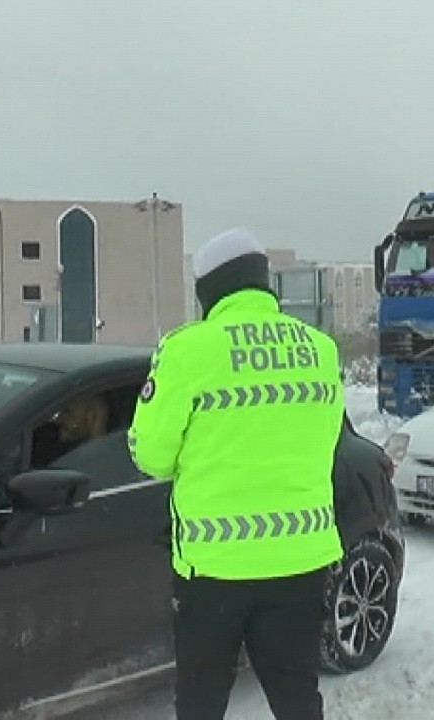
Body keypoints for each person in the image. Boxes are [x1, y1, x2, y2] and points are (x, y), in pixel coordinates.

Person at [128, 228, 345, 720]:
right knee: (297, 698)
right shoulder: (320, 349)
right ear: (261, 281)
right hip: (302, 559)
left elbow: (152, 457)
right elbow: (327, 441)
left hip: (215, 568)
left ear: (207, 289)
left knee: (202, 701)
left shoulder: (186, 351)